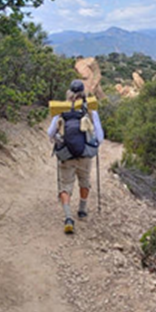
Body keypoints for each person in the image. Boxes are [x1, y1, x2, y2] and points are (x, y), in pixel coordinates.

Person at [48, 79, 104, 234]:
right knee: (84, 181)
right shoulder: (90, 110)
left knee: (65, 185)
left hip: (66, 154)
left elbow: (50, 133)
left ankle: (68, 218)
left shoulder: (61, 109)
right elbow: (100, 137)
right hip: (84, 154)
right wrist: (92, 144)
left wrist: (58, 140)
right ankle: (82, 209)